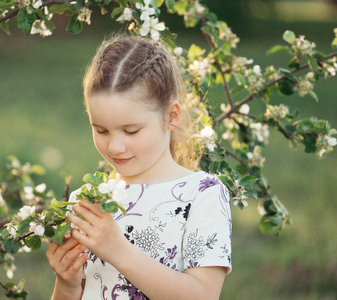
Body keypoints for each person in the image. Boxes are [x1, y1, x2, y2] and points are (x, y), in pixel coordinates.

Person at [46, 35, 232, 300]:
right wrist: (67, 284)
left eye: (130, 131)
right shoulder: (88, 203)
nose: (115, 147)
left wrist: (119, 251)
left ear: (172, 116)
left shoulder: (202, 195)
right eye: (101, 130)